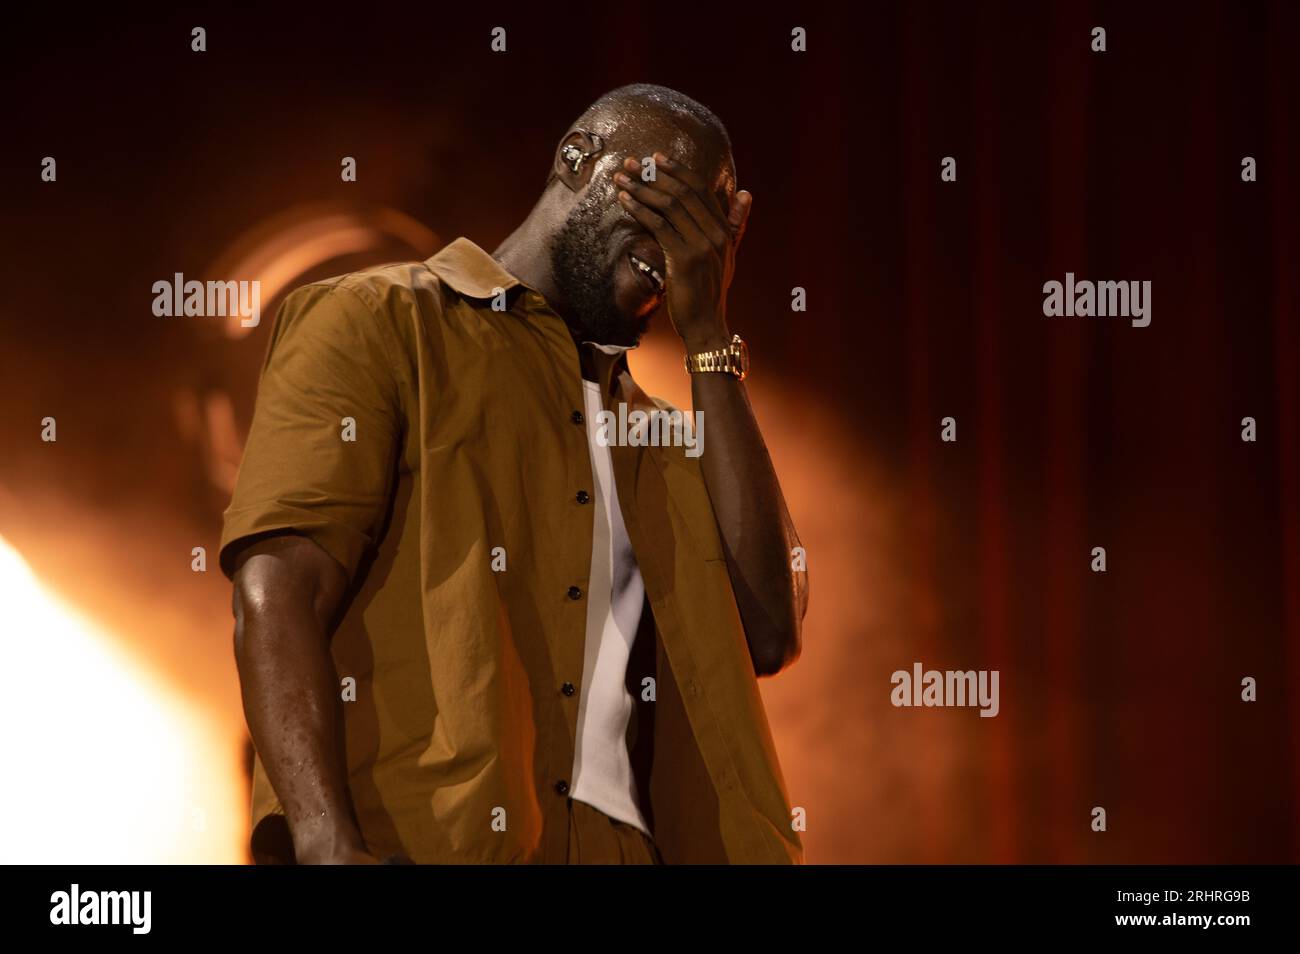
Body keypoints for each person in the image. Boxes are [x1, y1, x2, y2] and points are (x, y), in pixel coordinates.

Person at [220, 83, 808, 864]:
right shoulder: (378, 320)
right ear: (577, 158)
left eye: (710, 222)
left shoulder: (667, 437)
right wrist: (325, 841)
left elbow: (767, 629)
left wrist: (708, 335)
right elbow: (277, 590)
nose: (686, 241)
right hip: (429, 843)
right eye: (669, 199)